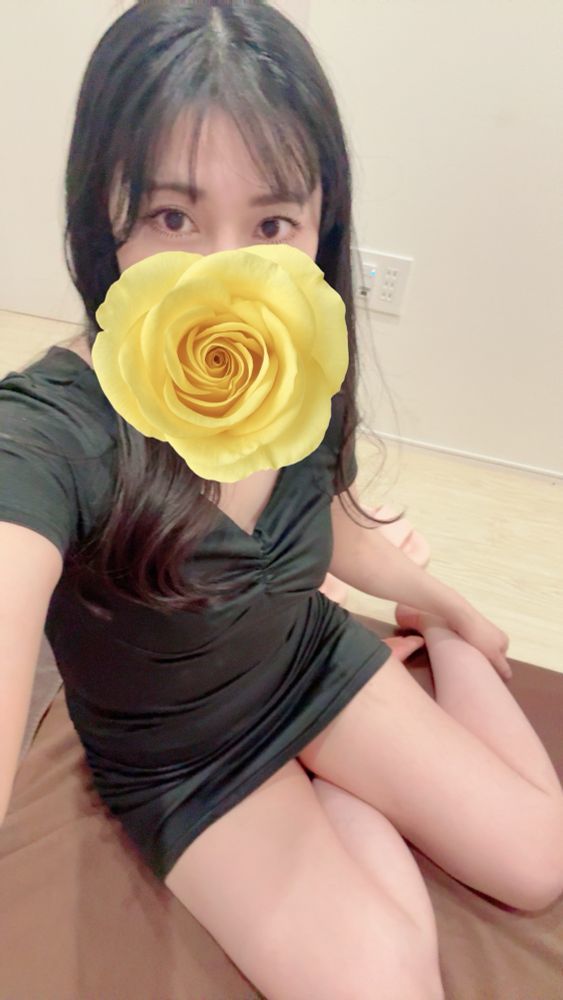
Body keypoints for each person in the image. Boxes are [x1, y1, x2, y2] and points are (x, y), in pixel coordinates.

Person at [1, 4, 562, 999]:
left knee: (537, 861)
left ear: (317, 227)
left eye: (271, 225)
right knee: (389, 981)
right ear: (105, 216)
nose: (227, 276)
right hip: (185, 755)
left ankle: (414, 673)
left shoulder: (297, 344)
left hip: (306, 654)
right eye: (173, 217)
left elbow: (324, 517)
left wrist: (449, 612)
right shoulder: (52, 429)